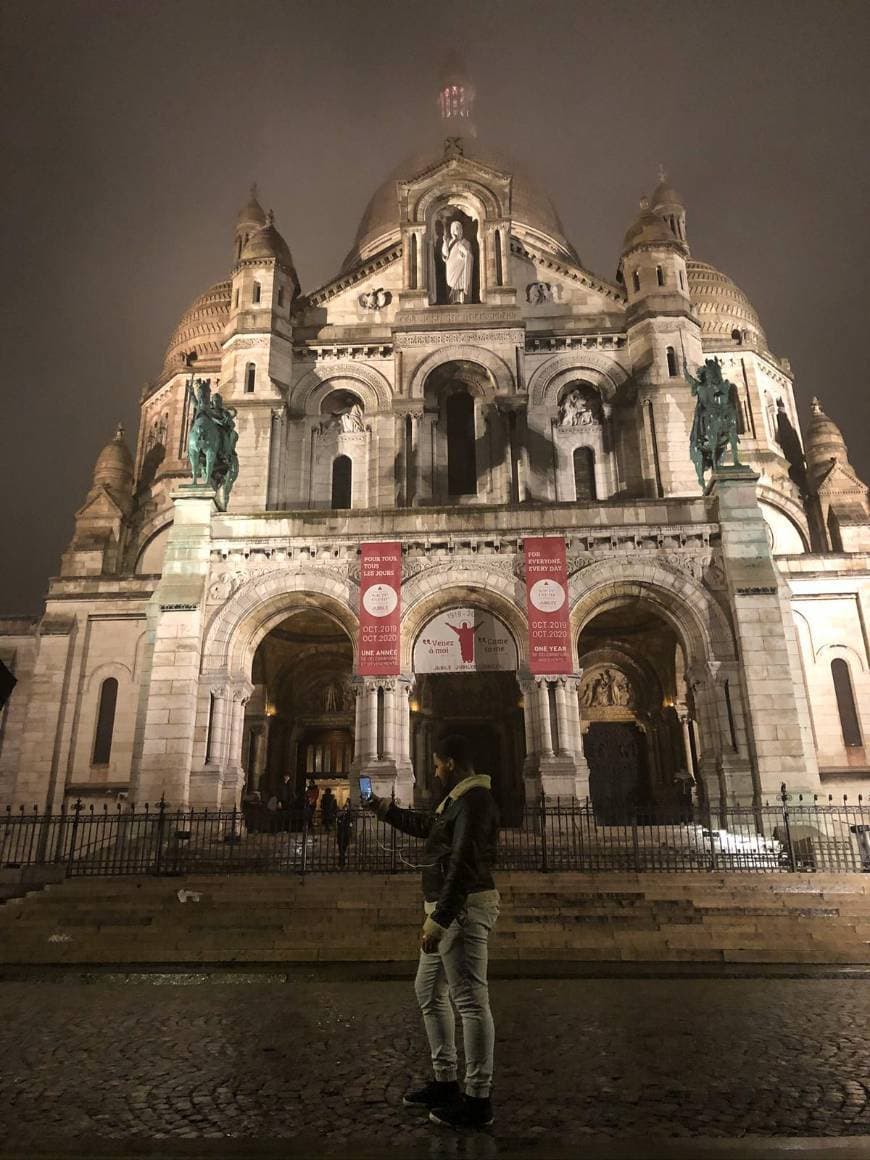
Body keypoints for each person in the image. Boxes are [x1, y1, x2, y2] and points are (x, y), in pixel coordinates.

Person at [365, 733, 500, 1130]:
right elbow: (431, 828)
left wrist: (440, 919)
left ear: (452, 763)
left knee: (471, 1000)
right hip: (448, 907)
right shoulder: (458, 800)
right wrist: (384, 808)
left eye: (439, 763)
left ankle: (478, 1098)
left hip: (461, 909)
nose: (436, 770)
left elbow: (463, 863)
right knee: (428, 991)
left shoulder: (474, 802)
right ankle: (446, 1081)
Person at [336, 801, 354, 868]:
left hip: (346, 832)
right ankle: (341, 862)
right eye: (346, 806)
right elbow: (337, 818)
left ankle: (342, 861)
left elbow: (351, 823)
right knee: (341, 848)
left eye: (348, 806)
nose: (346, 808)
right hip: (341, 832)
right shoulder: (341, 814)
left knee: (344, 847)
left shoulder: (349, 815)